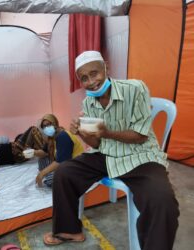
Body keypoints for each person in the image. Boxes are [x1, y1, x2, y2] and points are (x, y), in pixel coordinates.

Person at [43, 51, 179, 249]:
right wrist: (80, 132)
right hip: (106, 155)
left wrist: (107, 133)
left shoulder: (135, 88)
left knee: (163, 202)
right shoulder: (88, 103)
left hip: (140, 156)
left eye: (95, 73)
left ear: (106, 67)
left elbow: (141, 136)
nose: (91, 82)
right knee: (64, 173)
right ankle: (69, 230)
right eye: (84, 78)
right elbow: (97, 144)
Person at [35, 114, 84, 187]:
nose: (46, 128)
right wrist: (33, 152)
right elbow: (44, 152)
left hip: (75, 166)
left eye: (48, 124)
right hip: (63, 163)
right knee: (42, 159)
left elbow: (61, 161)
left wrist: (42, 173)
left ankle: (50, 176)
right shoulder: (51, 137)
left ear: (55, 123)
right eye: (44, 126)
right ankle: (49, 174)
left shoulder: (63, 136)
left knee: (50, 179)